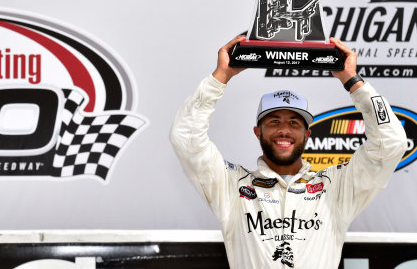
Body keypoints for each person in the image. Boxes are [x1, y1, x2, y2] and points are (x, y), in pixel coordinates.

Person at [170, 35, 407, 269]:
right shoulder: (231, 186)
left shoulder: (336, 188)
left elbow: (391, 143)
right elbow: (186, 139)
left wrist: (351, 80)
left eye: (294, 123)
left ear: (307, 135)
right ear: (257, 132)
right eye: (273, 121)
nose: (284, 130)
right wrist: (221, 76)